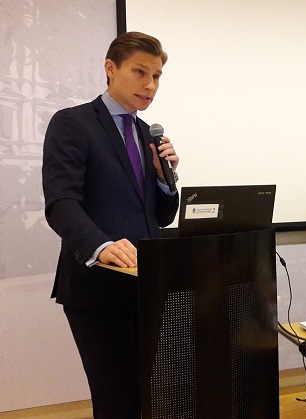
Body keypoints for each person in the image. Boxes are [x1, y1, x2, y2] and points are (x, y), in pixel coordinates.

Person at [42, 32, 180, 418]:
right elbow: (61, 203)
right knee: (117, 400)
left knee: (148, 395)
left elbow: (161, 217)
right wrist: (102, 246)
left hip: (147, 284)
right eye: (140, 72)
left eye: (156, 76)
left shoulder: (147, 134)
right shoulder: (73, 123)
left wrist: (164, 180)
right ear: (111, 68)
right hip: (98, 288)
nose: (150, 85)